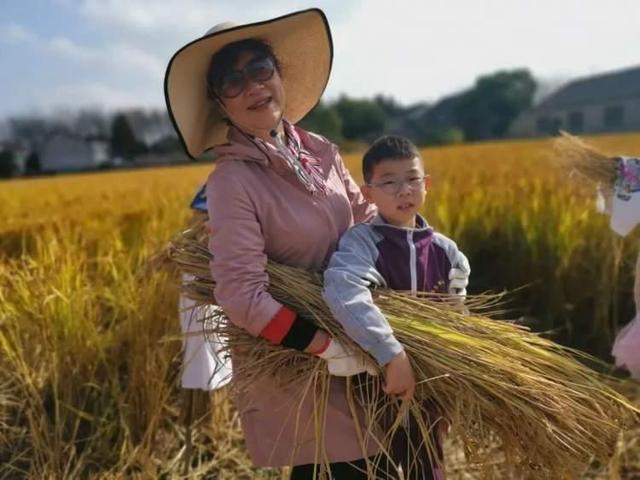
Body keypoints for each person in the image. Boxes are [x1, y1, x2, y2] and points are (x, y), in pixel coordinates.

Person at [165, 8, 393, 479]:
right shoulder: (232, 182)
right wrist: (329, 348)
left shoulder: (321, 152)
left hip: (370, 340)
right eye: (232, 80)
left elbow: (365, 216)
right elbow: (242, 296)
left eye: (260, 68)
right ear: (219, 102)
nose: (252, 86)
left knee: (388, 457)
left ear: (279, 74)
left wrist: (405, 254)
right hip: (305, 370)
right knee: (341, 463)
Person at [322, 135, 471, 479]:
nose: (403, 190)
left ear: (426, 184)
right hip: (376, 385)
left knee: (428, 466)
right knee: (379, 468)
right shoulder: (361, 243)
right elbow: (344, 290)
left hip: (428, 383)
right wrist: (390, 352)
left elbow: (457, 314)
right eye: (389, 182)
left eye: (412, 179)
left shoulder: (447, 252)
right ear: (368, 193)